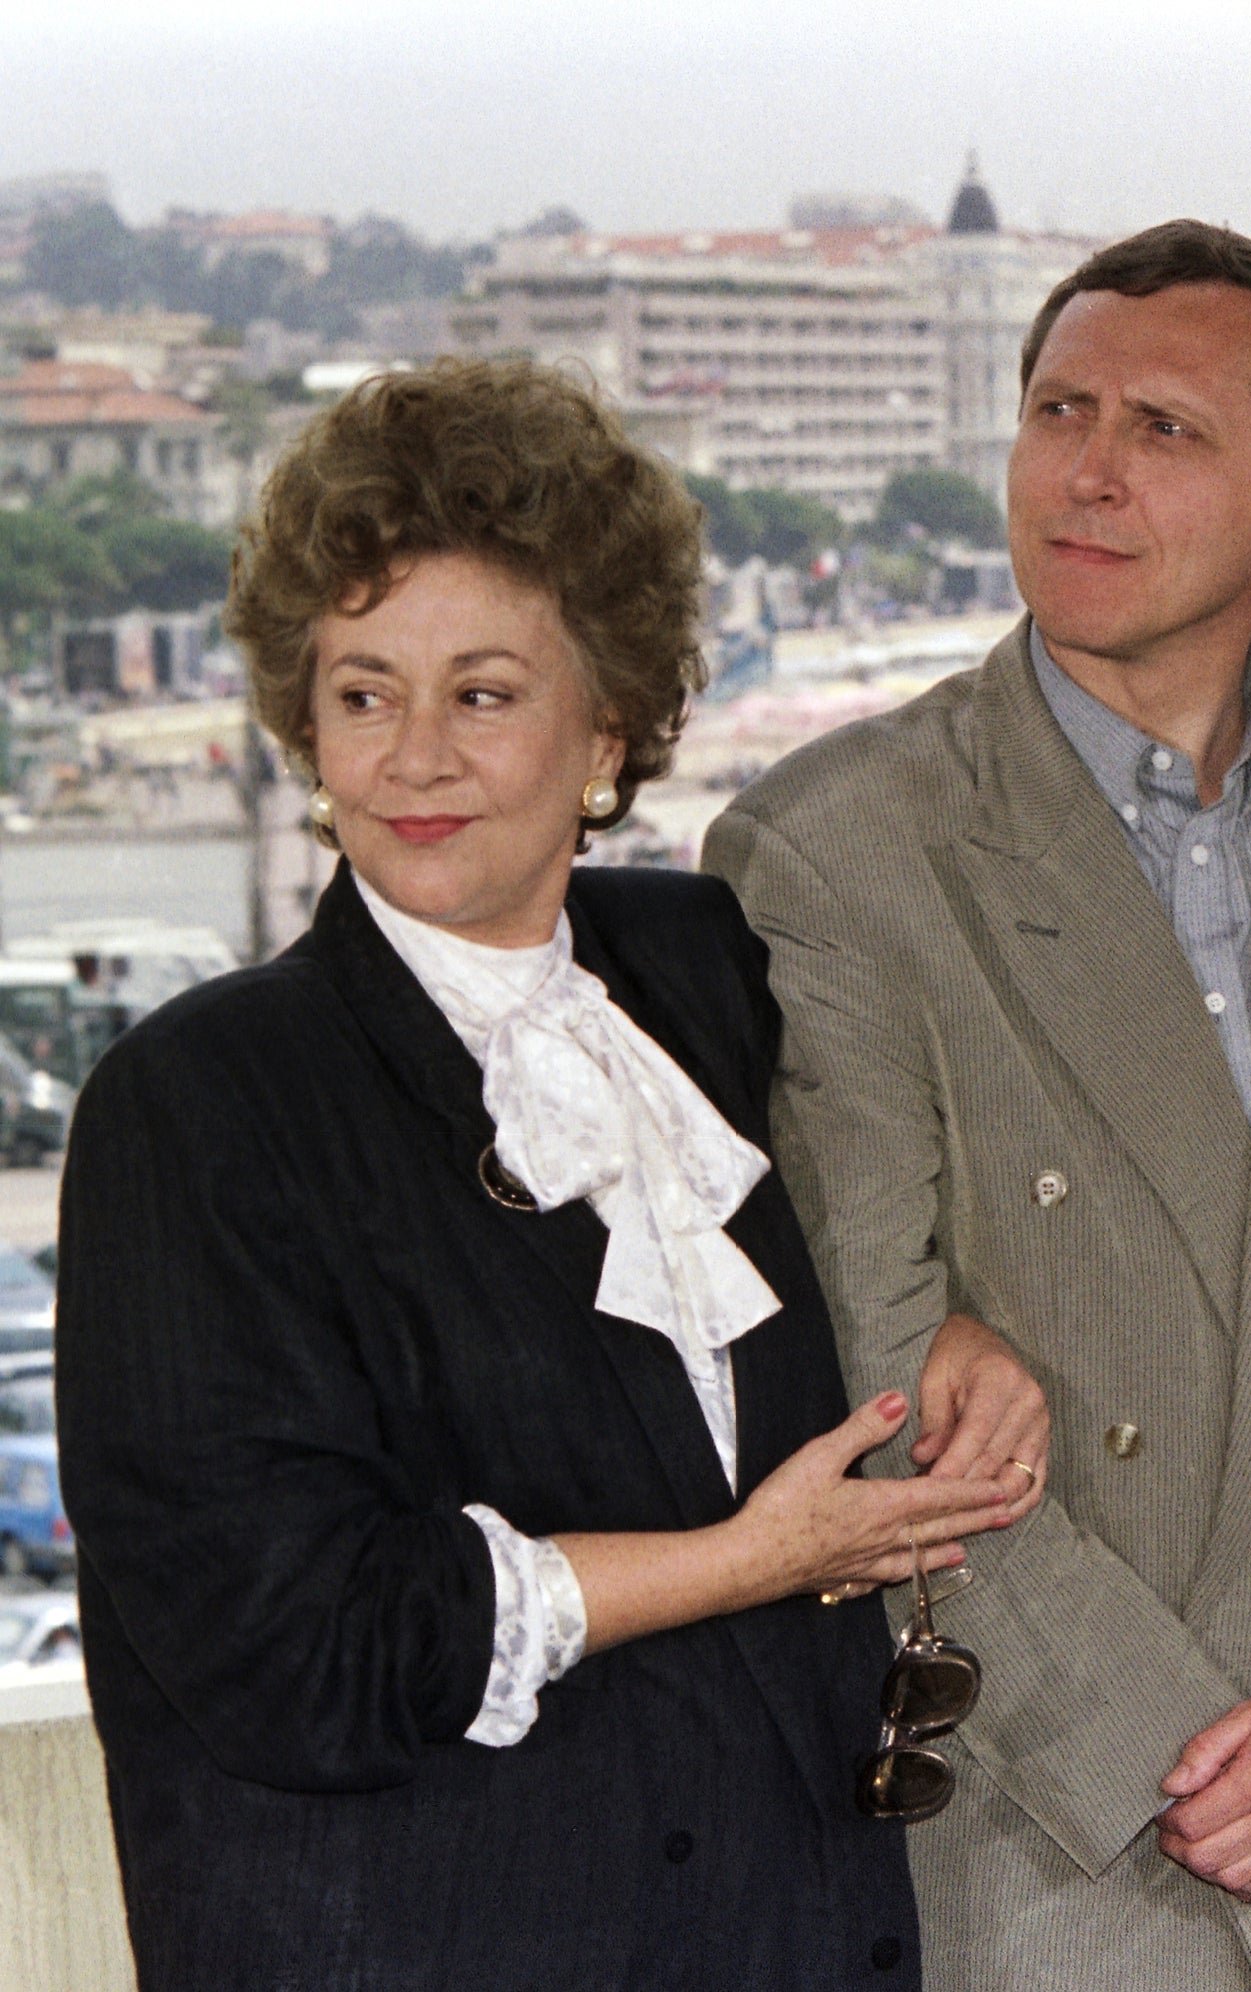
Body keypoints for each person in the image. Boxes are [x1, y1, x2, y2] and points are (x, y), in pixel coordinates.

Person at [54, 358, 1051, 1989]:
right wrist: (755, 1561)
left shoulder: (705, 972)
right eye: (363, 693)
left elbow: (875, 1204)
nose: (413, 758)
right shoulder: (197, 1101)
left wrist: (944, 1320)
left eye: (483, 694)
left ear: (609, 725)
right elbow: (297, 1651)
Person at [701, 220, 1251, 1991]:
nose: (1086, 474)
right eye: (1058, 412)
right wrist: (1177, 1763)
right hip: (1030, 1850)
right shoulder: (833, 851)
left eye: (1163, 428)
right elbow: (878, 1365)